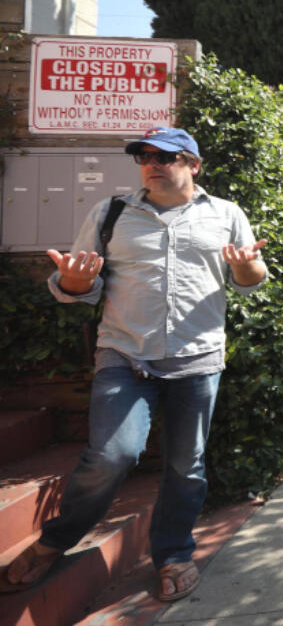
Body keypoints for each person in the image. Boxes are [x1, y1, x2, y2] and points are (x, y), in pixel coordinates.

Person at [0, 126, 267, 602]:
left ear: (193, 164)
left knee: (187, 467)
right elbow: (80, 286)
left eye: (165, 155)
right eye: (144, 155)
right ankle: (56, 540)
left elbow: (250, 279)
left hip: (197, 359)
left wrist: (246, 266)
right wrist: (76, 282)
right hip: (125, 354)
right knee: (111, 454)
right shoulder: (111, 212)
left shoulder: (226, 214)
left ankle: (174, 553)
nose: (152, 163)